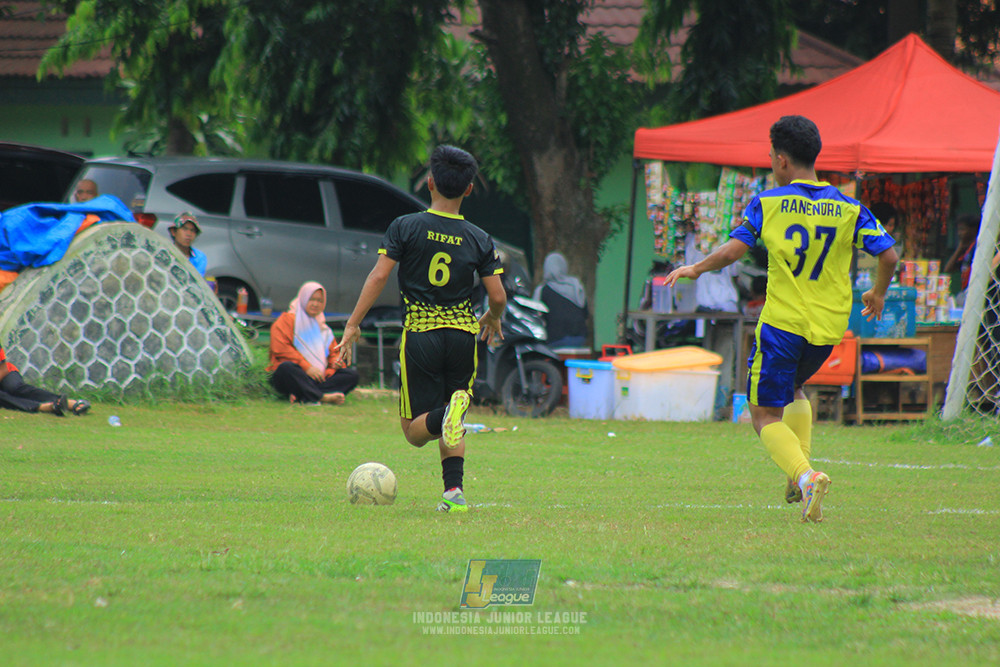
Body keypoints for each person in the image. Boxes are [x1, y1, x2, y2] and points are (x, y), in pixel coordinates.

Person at [665, 115, 898, 524]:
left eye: (771, 155)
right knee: (795, 388)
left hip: (783, 324)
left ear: (783, 160)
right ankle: (800, 479)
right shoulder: (848, 206)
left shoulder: (770, 203)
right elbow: (889, 255)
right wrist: (877, 293)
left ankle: (805, 476)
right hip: (827, 328)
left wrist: (696, 268)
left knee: (762, 415)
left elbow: (733, 252)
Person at [336, 145, 507, 513]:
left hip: (422, 335)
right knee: (453, 414)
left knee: (415, 431)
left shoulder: (405, 226)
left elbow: (379, 275)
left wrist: (353, 324)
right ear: (469, 190)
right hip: (464, 336)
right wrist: (492, 318)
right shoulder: (479, 237)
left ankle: (446, 420)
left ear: (429, 182)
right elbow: (497, 295)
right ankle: (453, 492)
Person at [267, 281, 359, 405]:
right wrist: (307, 367)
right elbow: (280, 349)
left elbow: (334, 354)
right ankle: (322, 397)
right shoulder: (286, 320)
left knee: (351, 375)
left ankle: (304, 395)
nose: (315, 304)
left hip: (318, 378)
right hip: (296, 375)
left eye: (320, 301)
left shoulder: (323, 328)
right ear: (303, 299)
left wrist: (332, 367)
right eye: (311, 299)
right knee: (286, 368)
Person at [0, 344, 90, 416]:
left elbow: (3, 369)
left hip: (5, 372)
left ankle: (70, 403)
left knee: (14, 388)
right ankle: (47, 407)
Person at [531, 251, 587, 348]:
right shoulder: (576, 286)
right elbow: (585, 313)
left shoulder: (542, 290)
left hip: (554, 339)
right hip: (579, 338)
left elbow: (535, 317)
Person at [944, 213, 980, 294]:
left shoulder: (977, 248)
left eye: (962, 229)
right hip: (966, 291)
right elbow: (948, 270)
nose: (959, 233)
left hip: (976, 291)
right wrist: (959, 249)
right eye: (958, 230)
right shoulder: (966, 249)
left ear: (973, 230)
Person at [169, 212, 208, 276]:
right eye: (185, 229)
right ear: (173, 232)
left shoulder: (199, 257)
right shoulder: (165, 253)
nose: (188, 234)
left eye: (192, 230)